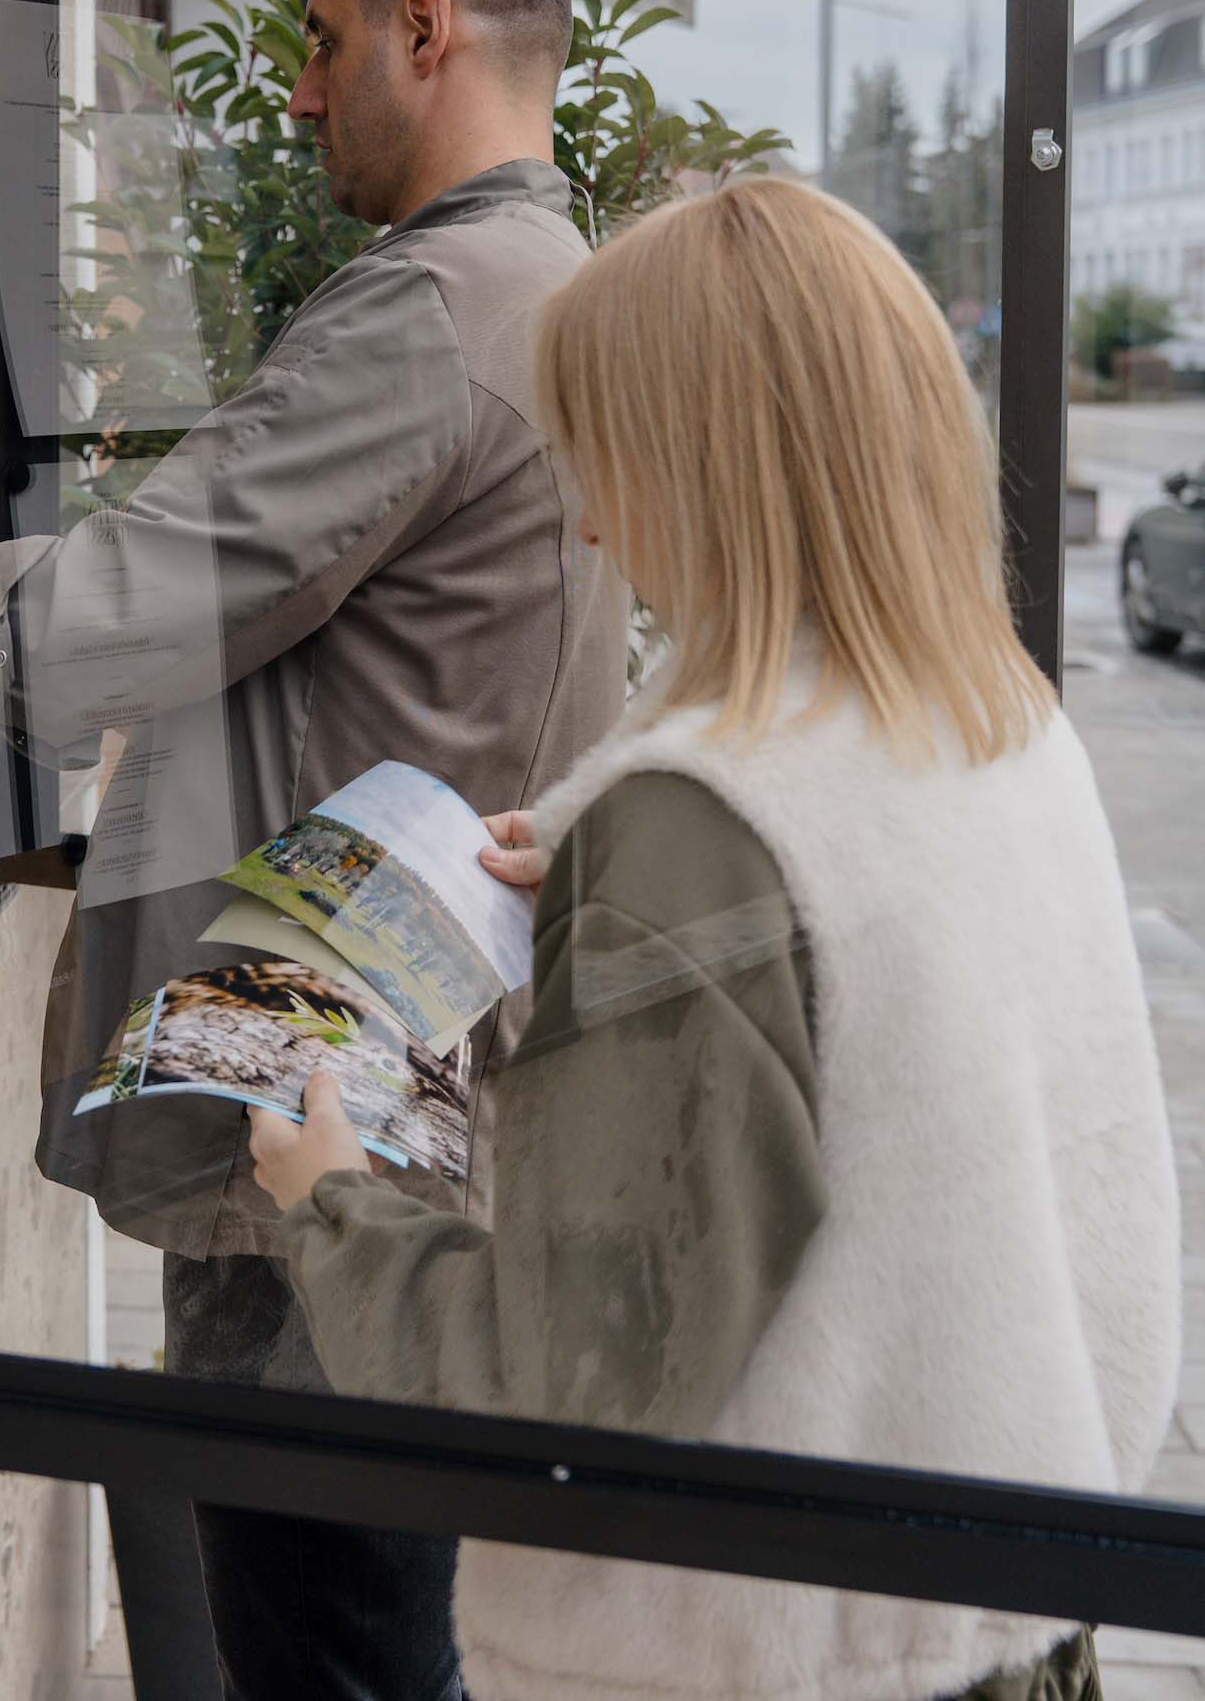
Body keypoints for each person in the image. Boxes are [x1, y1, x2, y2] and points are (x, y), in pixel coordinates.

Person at [0, 0, 629, 1701]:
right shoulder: (573, 295)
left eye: (321, 41)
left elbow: (88, 635)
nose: (298, 90)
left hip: (325, 1129)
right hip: (413, 1102)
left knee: (331, 1655)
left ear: (428, 25)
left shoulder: (431, 313)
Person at [250, 177, 1180, 1701]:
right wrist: (619, 893)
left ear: (713, 465)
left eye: (606, 451)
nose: (592, 513)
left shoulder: (706, 830)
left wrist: (332, 1200)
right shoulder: (998, 725)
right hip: (1002, 1603)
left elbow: (565, 1384)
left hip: (764, 1657)